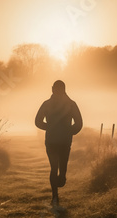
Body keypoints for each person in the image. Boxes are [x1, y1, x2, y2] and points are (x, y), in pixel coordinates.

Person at [34, 80, 83, 208]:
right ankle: (55, 196)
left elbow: (38, 122)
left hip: (55, 140)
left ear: (53, 89)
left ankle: (57, 190)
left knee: (58, 169)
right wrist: (68, 131)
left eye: (57, 89)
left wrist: (50, 128)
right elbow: (79, 124)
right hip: (60, 141)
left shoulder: (49, 104)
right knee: (56, 167)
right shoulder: (70, 104)